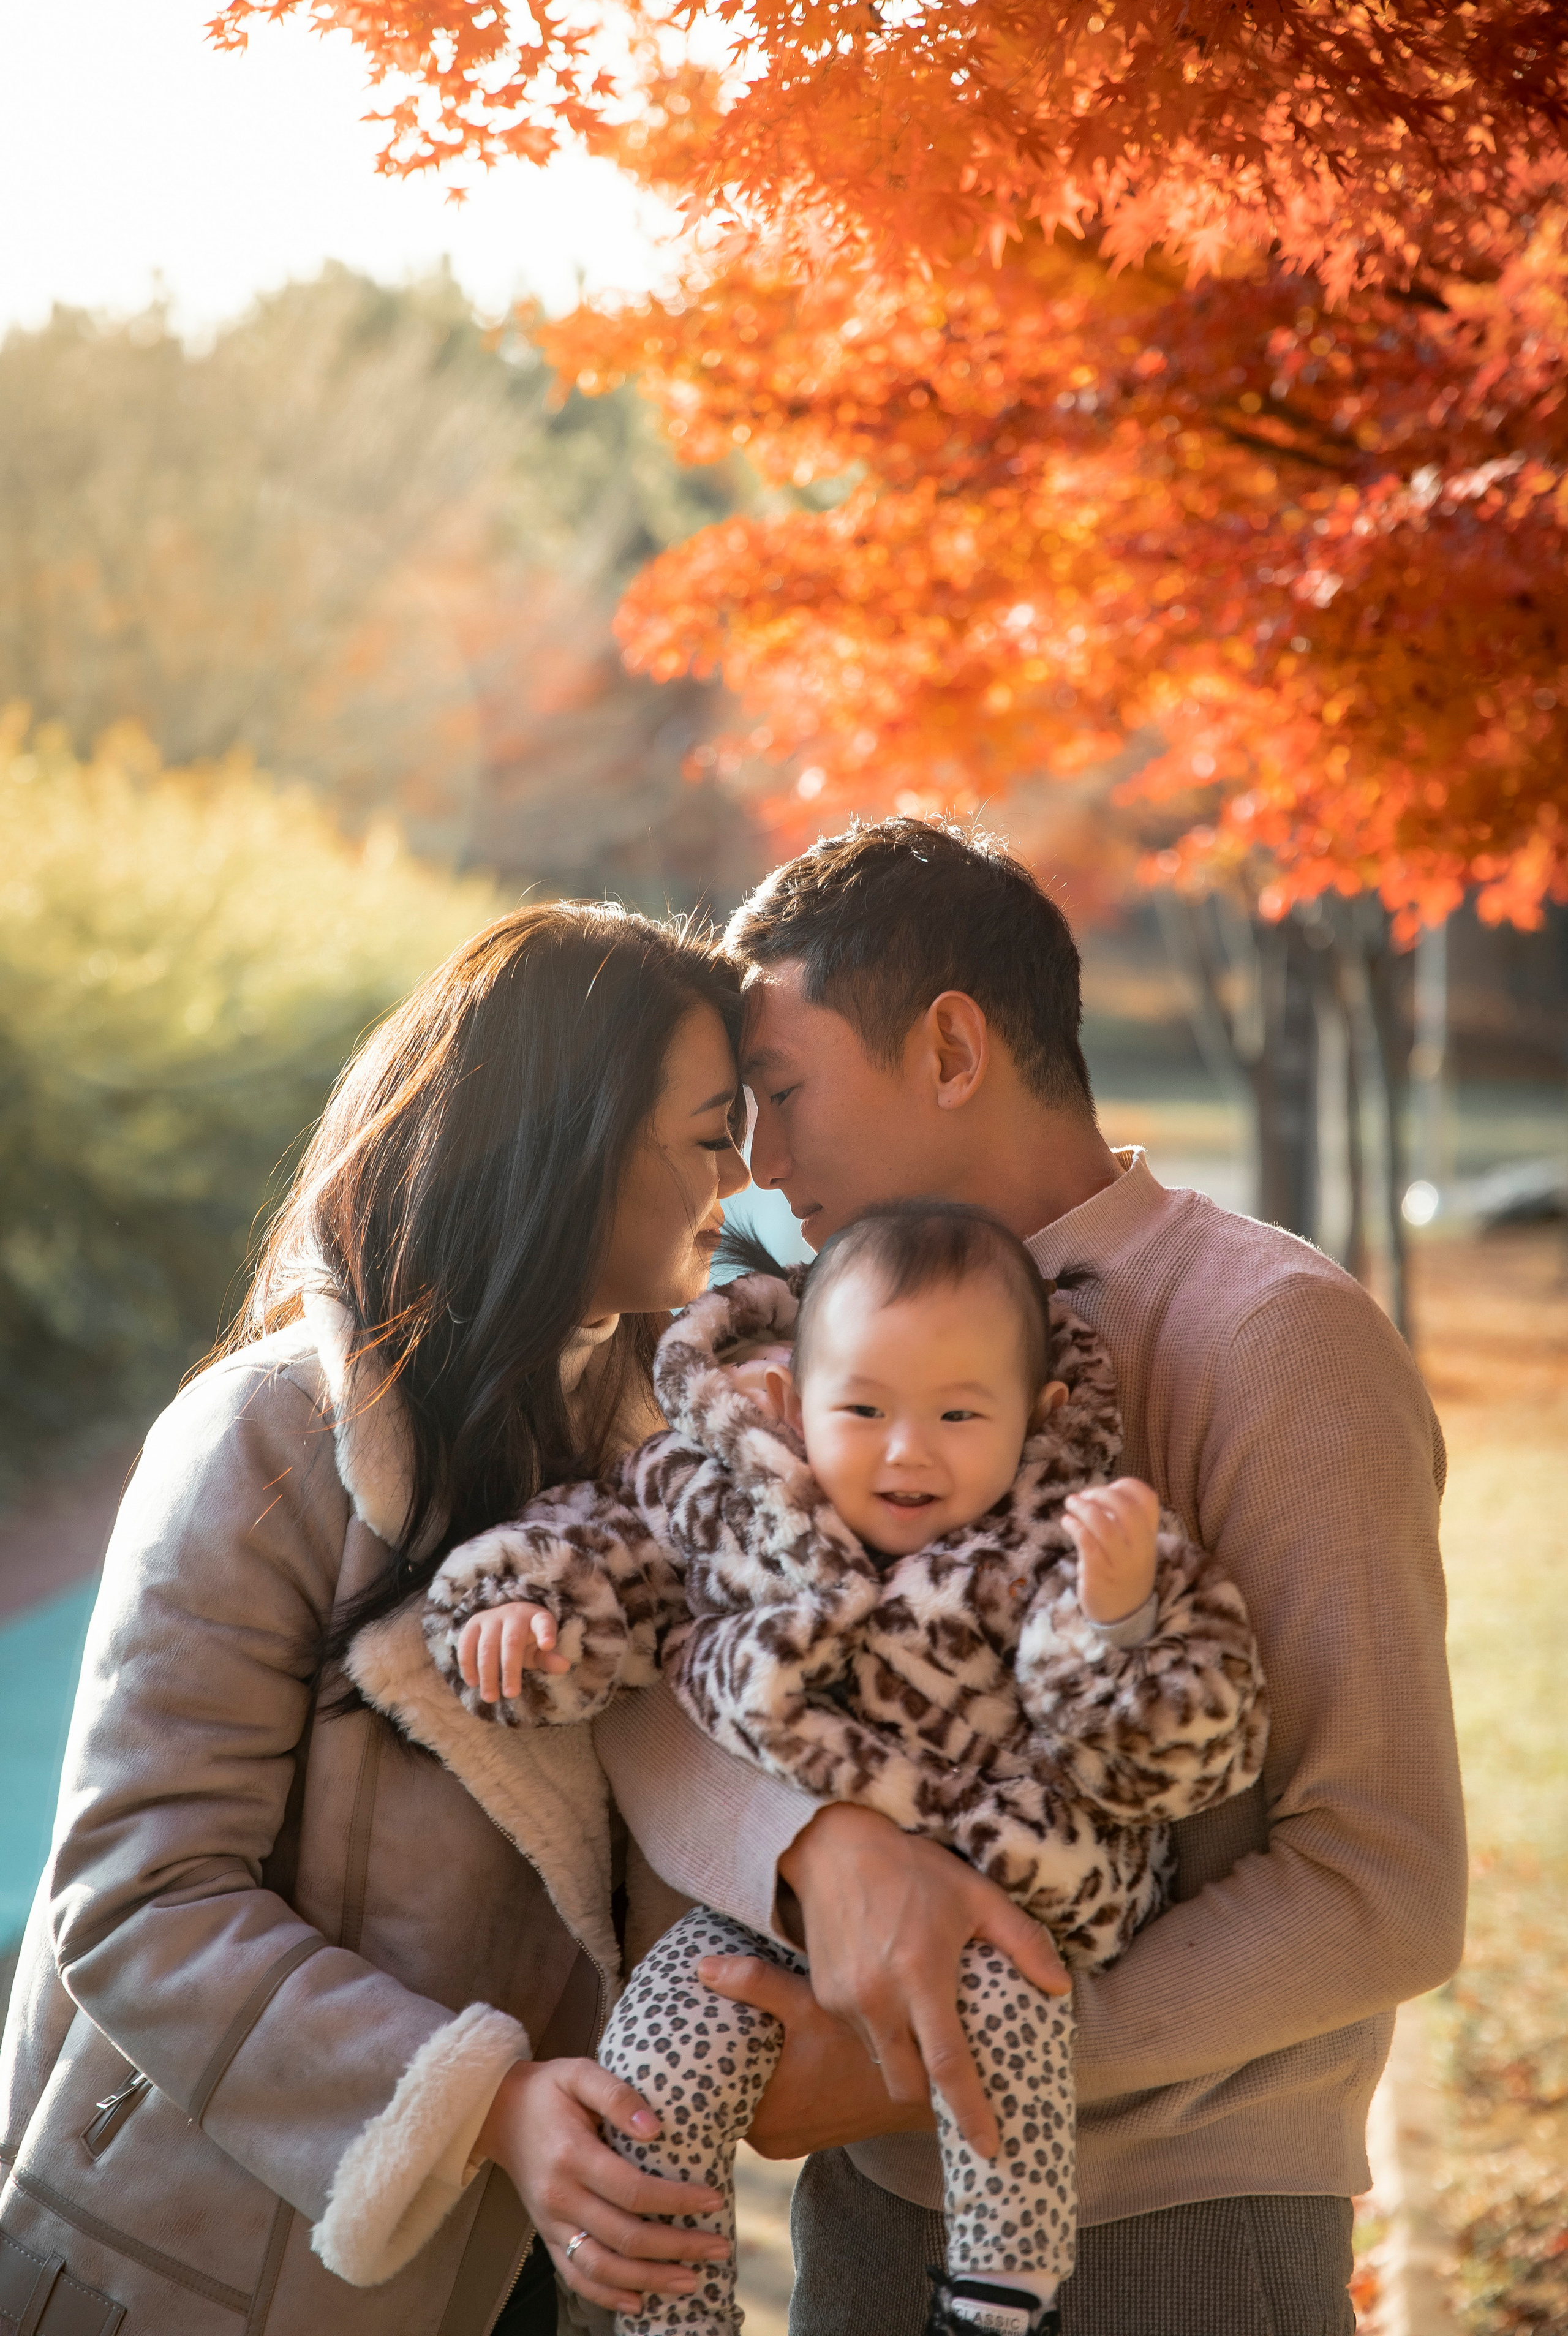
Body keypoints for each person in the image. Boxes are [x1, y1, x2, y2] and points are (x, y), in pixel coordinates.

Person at [584, 819, 1466, 2336]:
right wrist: (810, 1846)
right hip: (866, 2217)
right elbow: (662, 1673)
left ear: (946, 1049)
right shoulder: (808, 1348)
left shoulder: (1275, 1340)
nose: (760, 1165)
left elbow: (1380, 1887)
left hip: (1178, 2237)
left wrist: (910, 2050)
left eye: (781, 1096)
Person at [0, 903, 781, 2334]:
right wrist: (486, 2109)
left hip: (517, 2268)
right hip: (199, 2257)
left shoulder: (657, 1452)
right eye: (708, 1133)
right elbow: (134, 1898)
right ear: (567, 1143)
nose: (741, 1181)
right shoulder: (274, 1436)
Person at [427, 1197, 1267, 2336]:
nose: (908, 1450)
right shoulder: (740, 1504)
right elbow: (618, 1548)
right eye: (864, 1408)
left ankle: (1001, 2289)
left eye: (960, 1413)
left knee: (1006, 2014)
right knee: (658, 2050)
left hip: (994, 1889)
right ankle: (671, 2311)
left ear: (1039, 1413)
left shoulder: (1056, 1536)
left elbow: (1184, 1743)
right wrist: (526, 1607)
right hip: (770, 1896)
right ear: (788, 1399)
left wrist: (1112, 1623)